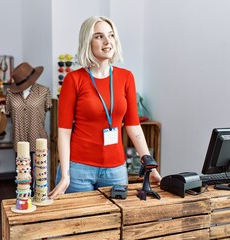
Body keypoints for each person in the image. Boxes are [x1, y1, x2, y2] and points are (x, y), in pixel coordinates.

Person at [49, 16, 161, 198]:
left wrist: (150, 164)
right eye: (99, 36)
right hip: (79, 169)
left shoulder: (126, 78)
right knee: (80, 225)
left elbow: (133, 126)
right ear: (88, 41)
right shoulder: (73, 79)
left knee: (115, 224)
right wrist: (65, 175)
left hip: (115, 170)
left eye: (111, 35)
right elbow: (64, 131)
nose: (108, 41)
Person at [5, 62, 52, 153]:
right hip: (19, 141)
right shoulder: (10, 93)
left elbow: (46, 108)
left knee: (39, 167)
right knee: (21, 167)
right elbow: (8, 112)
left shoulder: (44, 91)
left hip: (39, 141)